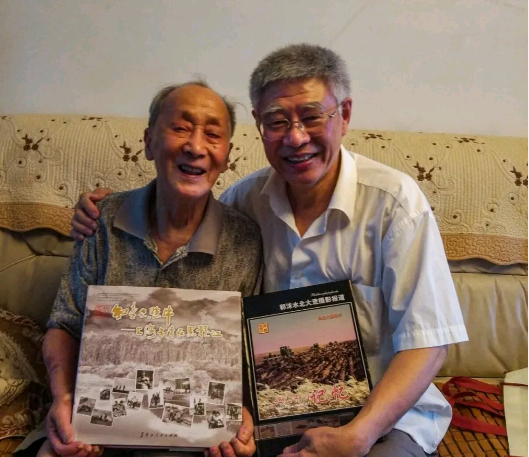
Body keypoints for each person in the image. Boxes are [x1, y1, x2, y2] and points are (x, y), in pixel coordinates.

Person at [70, 44, 468, 457]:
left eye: (311, 117)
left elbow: (429, 343)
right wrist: (101, 210)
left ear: (344, 114)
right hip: (269, 420)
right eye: (277, 121)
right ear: (259, 125)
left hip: (382, 420)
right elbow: (178, 254)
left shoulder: (395, 204)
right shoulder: (243, 203)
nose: (296, 138)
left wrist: (357, 435)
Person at [38, 81, 262, 457]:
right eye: (180, 127)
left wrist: (241, 415)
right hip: (98, 428)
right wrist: (62, 398)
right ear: (148, 142)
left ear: (226, 156)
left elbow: (246, 353)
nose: (196, 146)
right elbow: (64, 324)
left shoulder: (245, 240)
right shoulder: (100, 220)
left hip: (196, 437)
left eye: (212, 134)